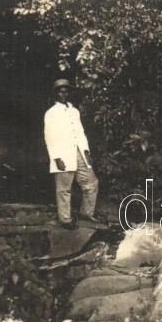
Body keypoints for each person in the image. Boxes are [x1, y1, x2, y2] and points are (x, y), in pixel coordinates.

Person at [44, 79, 100, 230]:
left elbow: (81, 133)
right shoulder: (51, 113)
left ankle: (86, 213)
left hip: (79, 152)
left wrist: (86, 152)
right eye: (61, 91)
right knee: (64, 188)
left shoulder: (74, 111)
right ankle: (65, 219)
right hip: (63, 154)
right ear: (55, 94)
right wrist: (56, 157)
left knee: (91, 182)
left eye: (66, 91)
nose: (64, 93)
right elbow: (49, 137)